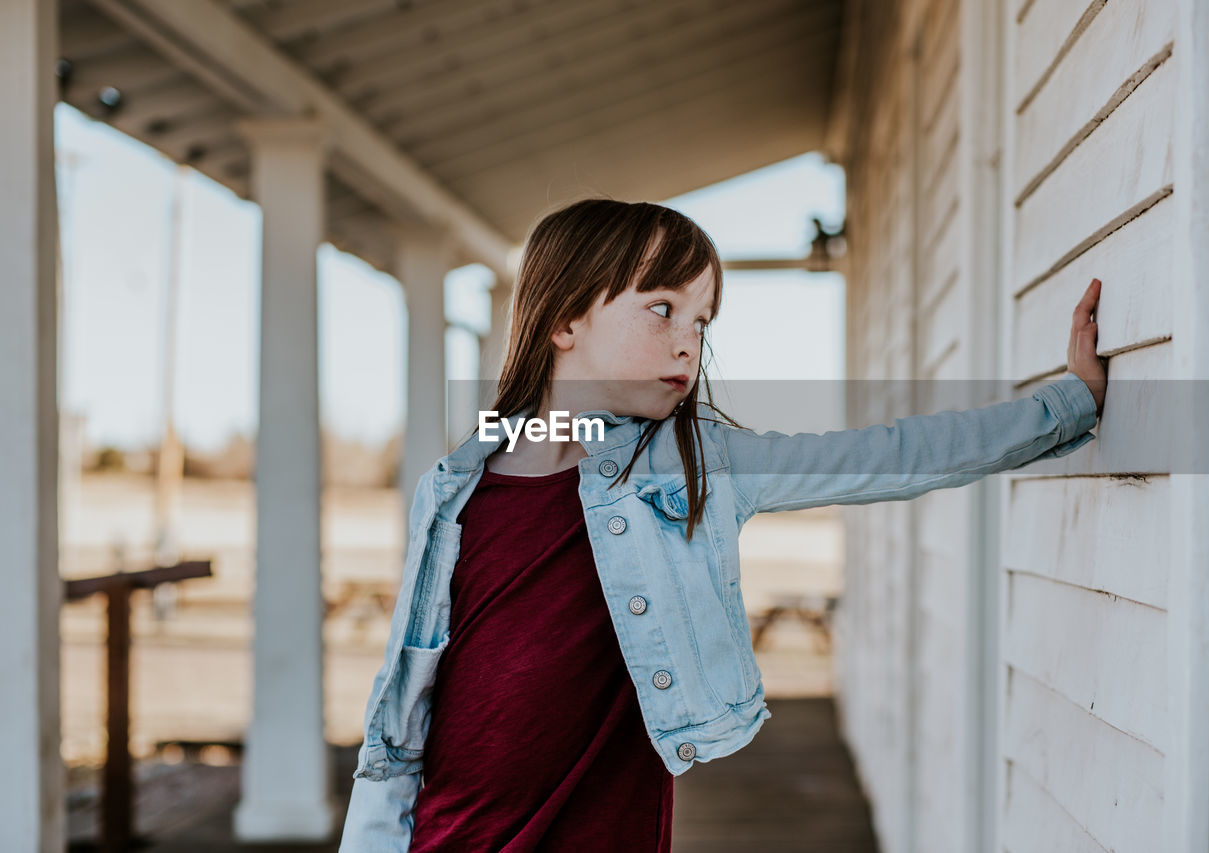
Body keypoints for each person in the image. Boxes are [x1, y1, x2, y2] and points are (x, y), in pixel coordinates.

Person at [338, 198, 1108, 852]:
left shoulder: (694, 464)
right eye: (663, 308)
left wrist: (1065, 403)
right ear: (566, 317)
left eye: (702, 320)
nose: (688, 340)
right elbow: (403, 708)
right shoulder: (455, 491)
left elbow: (893, 454)